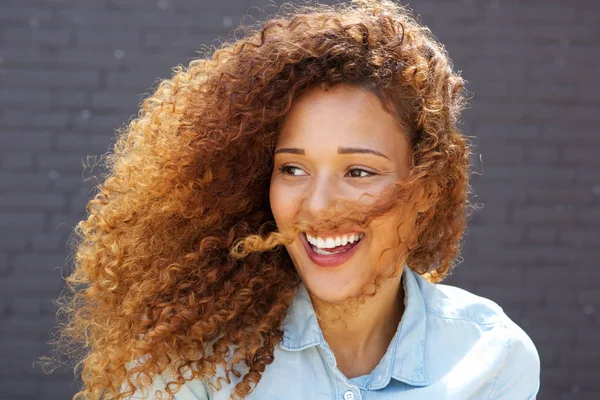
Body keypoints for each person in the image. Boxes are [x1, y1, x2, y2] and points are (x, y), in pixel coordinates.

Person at [44, 0, 540, 399]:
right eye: (293, 168)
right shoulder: (190, 363)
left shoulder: (492, 360)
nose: (319, 206)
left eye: (359, 170)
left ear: (426, 192)